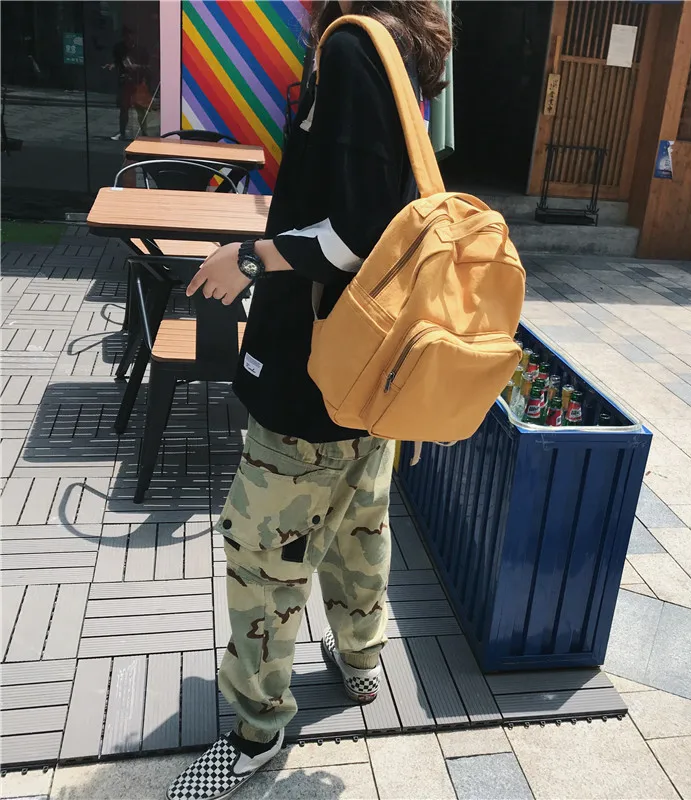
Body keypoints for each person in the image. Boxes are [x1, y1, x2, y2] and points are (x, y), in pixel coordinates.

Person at [166, 2, 451, 798]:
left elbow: (359, 231)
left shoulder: (351, 47)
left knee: (263, 557)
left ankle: (256, 733)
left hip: (313, 369)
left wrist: (251, 257)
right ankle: (360, 663)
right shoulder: (399, 51)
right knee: (360, 522)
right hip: (372, 367)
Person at [103, 26, 150, 140]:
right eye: (126, 37)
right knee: (124, 108)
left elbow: (149, 67)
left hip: (138, 82)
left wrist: (137, 67)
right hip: (125, 81)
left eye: (130, 36)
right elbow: (117, 62)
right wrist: (112, 66)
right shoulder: (119, 48)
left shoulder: (141, 50)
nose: (128, 39)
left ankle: (144, 133)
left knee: (140, 108)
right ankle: (122, 132)